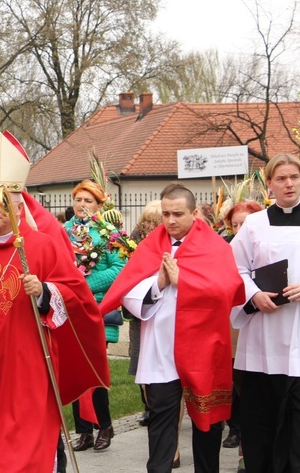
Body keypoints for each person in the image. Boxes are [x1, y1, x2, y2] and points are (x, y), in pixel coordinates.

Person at [0, 130, 110, 472]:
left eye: (2, 202)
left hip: (26, 370)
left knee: (17, 458)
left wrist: (44, 292)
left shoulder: (41, 246)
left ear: (19, 205)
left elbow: (78, 300)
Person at [101, 182, 245, 473]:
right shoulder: (151, 246)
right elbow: (128, 292)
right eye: (165, 213)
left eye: (177, 214)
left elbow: (228, 291)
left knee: (207, 425)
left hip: (202, 349)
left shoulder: (215, 247)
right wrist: (158, 285)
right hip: (161, 351)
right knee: (161, 422)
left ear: (193, 213)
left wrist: (184, 283)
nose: (170, 220)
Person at [230, 153, 300, 473]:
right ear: (269, 184)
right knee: (264, 426)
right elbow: (235, 269)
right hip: (264, 342)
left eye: (294, 178)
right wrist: (253, 294)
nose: (288, 184)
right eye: (281, 178)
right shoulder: (254, 225)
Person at [63, 179, 124, 451]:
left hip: (98, 309)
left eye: (89, 201)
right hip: (68, 309)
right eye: (79, 199)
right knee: (75, 370)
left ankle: (105, 426)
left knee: (96, 371)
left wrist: (85, 285)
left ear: (100, 205)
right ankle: (83, 431)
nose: (82, 205)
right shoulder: (62, 231)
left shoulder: (109, 233)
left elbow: (120, 268)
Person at [221, 199, 262, 471]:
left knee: (257, 392)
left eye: (244, 224)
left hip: (262, 323)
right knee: (239, 387)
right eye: (234, 225)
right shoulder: (223, 249)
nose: (239, 229)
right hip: (232, 325)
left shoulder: (267, 247)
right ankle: (241, 442)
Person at [128, 200, 162, 429]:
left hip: (161, 313)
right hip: (140, 313)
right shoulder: (132, 243)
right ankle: (148, 406)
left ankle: (159, 409)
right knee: (140, 363)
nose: (150, 227)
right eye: (147, 221)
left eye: (155, 222)